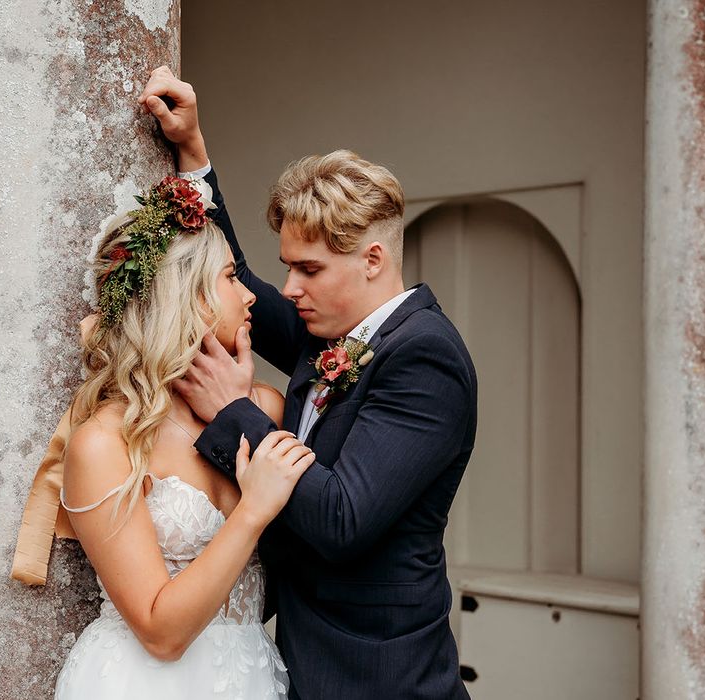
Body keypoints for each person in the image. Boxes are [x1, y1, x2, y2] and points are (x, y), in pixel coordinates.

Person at [139, 67, 478, 700]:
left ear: (372, 259)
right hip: (301, 663)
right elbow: (230, 277)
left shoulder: (425, 358)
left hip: (382, 679)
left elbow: (341, 518)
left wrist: (234, 409)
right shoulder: (326, 334)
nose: (289, 289)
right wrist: (193, 153)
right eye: (288, 267)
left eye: (309, 269)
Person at [53, 175, 314, 699]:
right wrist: (251, 511)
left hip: (251, 674)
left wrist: (234, 412)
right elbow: (161, 633)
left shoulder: (264, 408)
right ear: (187, 298)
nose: (249, 297)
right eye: (229, 278)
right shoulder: (105, 443)